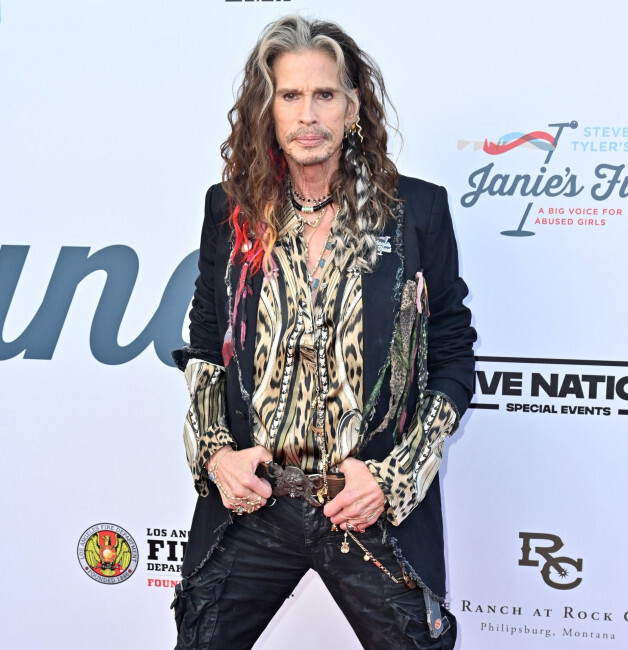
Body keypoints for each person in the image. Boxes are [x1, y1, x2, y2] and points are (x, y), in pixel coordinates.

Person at [171, 15, 476, 650]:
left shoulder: (415, 212)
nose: (308, 114)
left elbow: (451, 351)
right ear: (268, 110)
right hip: (253, 507)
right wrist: (216, 456)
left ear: (352, 107)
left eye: (325, 94)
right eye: (290, 95)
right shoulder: (231, 210)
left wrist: (394, 479)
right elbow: (205, 344)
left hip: (367, 508)